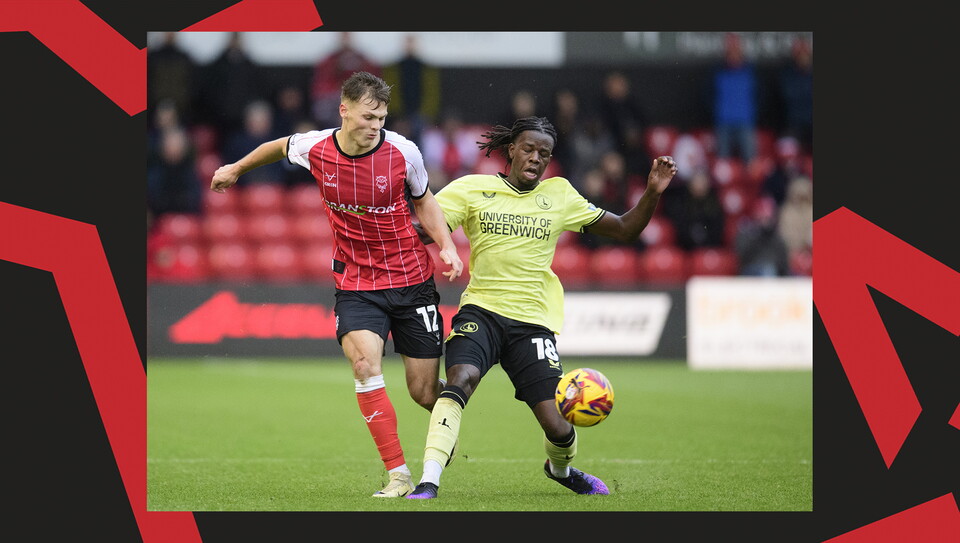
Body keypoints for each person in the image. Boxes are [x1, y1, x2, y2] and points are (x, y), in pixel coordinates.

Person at [209, 71, 463, 498]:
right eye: (368, 117)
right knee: (364, 365)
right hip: (356, 281)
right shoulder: (316, 147)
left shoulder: (404, 152)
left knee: (423, 393)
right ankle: (399, 474)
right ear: (344, 111)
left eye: (381, 118)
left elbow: (424, 200)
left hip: (412, 280)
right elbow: (278, 146)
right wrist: (235, 168)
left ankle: (447, 419)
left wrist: (448, 247)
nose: (375, 126)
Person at [405, 116, 678, 499]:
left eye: (544, 154)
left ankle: (560, 469)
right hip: (481, 311)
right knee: (461, 379)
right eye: (529, 149)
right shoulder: (472, 189)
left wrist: (652, 191)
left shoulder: (560, 195)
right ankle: (428, 481)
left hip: (532, 323)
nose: (536, 158)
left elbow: (625, 229)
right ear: (512, 150)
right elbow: (424, 227)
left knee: (560, 426)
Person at [711, 33, 759, 163]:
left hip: (745, 122)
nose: (733, 55)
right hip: (723, 123)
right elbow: (709, 96)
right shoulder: (717, 72)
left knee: (751, 163)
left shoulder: (750, 72)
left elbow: (759, 96)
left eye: (735, 51)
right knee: (723, 164)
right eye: (730, 51)